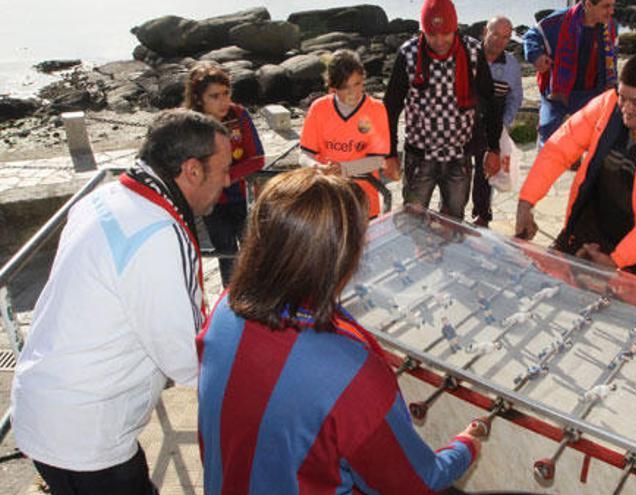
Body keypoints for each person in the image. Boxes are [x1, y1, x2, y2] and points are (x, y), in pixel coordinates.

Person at [197, 168, 482, 494]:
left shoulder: (224, 308)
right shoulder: (352, 374)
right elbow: (414, 482)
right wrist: (466, 445)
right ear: (344, 257)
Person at [11, 110, 232, 494]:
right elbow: (187, 359)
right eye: (224, 168)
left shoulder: (108, 196)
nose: (229, 181)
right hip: (87, 437)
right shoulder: (158, 232)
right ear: (192, 170)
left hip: (43, 409)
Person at [515, 53, 636, 282]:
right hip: (590, 227)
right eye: (623, 97)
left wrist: (616, 261)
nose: (626, 109)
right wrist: (526, 202)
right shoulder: (608, 104)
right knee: (552, 289)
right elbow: (559, 148)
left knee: (628, 316)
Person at [384, 0, 503, 220]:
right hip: (419, 158)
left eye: (445, 33)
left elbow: (490, 102)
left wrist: (494, 148)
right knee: (413, 220)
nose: (439, 41)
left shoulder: (473, 52)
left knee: (454, 221)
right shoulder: (408, 54)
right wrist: (390, 154)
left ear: (455, 28)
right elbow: (391, 107)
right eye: (432, 34)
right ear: (423, 31)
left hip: (459, 156)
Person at [184, 61, 264, 286]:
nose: (223, 101)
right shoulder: (190, 124)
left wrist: (230, 175)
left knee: (253, 250)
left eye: (226, 93)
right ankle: (229, 299)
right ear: (199, 98)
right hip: (212, 202)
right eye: (214, 96)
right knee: (226, 253)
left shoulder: (239, 115)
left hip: (242, 195)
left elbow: (257, 158)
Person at [300, 49, 391, 219]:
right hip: (327, 199)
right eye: (345, 87)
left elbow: (378, 160)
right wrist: (316, 167)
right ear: (332, 87)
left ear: (363, 78)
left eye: (357, 84)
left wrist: (344, 169)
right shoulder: (319, 108)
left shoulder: (376, 109)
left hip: (363, 202)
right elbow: (304, 154)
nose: (353, 93)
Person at [523, 0, 618, 148]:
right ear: (588, 5)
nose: (611, 11)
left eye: (613, 5)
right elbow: (532, 35)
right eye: (606, 6)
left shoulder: (610, 26)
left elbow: (612, 59)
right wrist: (537, 56)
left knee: (596, 140)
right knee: (548, 137)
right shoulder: (558, 21)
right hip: (557, 91)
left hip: (592, 93)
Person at [466, 15, 524, 227]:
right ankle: (452, 213)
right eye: (496, 34)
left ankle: (481, 216)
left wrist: (504, 124)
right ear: (485, 32)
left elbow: (515, 97)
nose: (500, 41)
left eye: (506, 37)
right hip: (463, 125)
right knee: (459, 172)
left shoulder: (511, 65)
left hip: (491, 128)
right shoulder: (467, 56)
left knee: (485, 174)